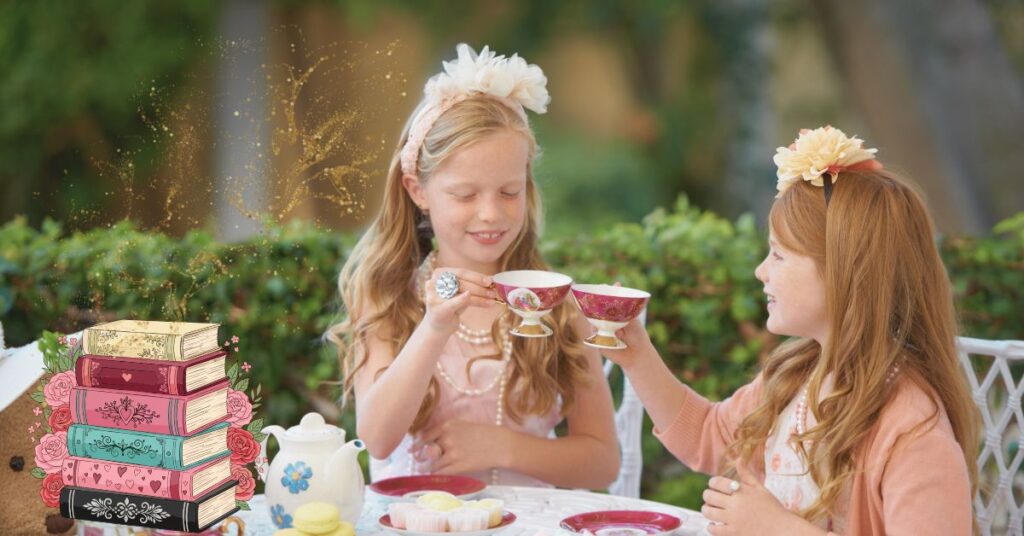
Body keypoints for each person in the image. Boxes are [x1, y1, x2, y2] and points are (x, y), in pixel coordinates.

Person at [605, 126, 979, 534]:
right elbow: (708, 437)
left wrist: (777, 528)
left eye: (779, 255)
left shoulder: (912, 431)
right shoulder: (796, 379)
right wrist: (635, 353)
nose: (760, 271)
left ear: (845, 275)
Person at [327, 44, 619, 489]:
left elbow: (602, 461)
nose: (491, 214)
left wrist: (501, 446)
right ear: (418, 190)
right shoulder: (388, 294)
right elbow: (378, 437)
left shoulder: (558, 305)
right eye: (465, 195)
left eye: (508, 192)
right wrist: (434, 327)